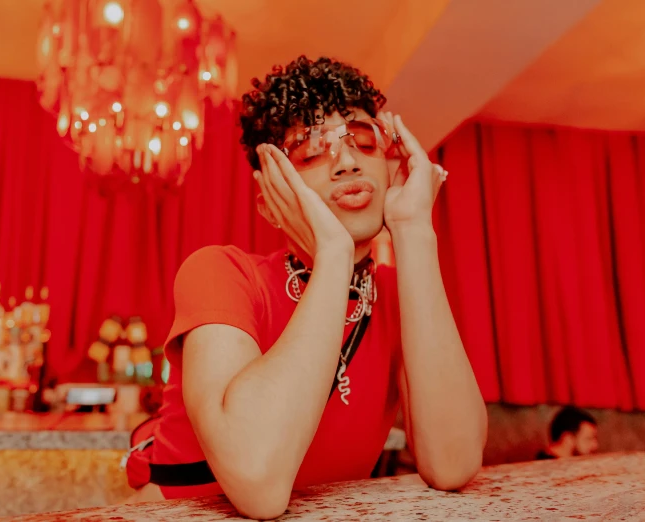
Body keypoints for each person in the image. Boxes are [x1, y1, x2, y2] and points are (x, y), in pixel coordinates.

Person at [124, 56, 487, 519]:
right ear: (271, 200)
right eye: (310, 151)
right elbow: (258, 483)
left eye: (361, 139)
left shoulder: (395, 294)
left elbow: (453, 465)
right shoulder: (222, 274)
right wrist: (333, 253)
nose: (347, 163)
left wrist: (414, 228)